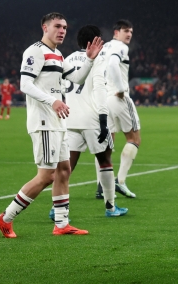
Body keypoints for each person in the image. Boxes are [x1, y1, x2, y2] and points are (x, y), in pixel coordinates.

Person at [0, 12, 103, 238]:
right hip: (43, 121)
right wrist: (53, 101)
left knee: (64, 170)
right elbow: (25, 84)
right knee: (46, 175)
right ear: (45, 27)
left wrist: (90, 60)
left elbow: (77, 79)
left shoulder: (58, 55)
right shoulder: (35, 51)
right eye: (57, 26)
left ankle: (62, 224)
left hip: (58, 122)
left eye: (64, 27)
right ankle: (5, 218)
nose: (62, 30)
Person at [61, 24, 128, 218]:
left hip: (71, 118)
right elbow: (99, 88)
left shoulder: (68, 58)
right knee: (105, 161)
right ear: (96, 41)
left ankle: (57, 207)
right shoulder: (98, 58)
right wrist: (103, 119)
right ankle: (110, 207)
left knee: (67, 167)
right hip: (92, 119)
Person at [95, 19, 138, 199]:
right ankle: (119, 181)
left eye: (131, 31)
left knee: (107, 143)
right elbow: (113, 64)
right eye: (125, 30)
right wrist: (120, 89)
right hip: (117, 97)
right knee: (134, 139)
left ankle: (101, 185)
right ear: (116, 32)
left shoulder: (104, 48)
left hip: (103, 99)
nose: (129, 34)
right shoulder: (121, 47)